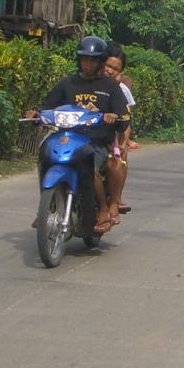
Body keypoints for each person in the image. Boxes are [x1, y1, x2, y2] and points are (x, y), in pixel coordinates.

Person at [26, 36, 128, 235]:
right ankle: (46, 206)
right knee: (45, 155)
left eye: (93, 60)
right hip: (66, 138)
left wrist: (113, 117)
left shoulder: (110, 87)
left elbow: (123, 117)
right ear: (79, 60)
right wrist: (36, 115)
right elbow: (47, 107)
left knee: (90, 169)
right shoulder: (67, 84)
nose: (88, 64)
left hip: (95, 142)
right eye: (84, 59)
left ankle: (103, 209)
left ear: (100, 62)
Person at [102, 42, 135, 222]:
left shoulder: (119, 90)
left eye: (115, 69)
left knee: (118, 160)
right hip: (81, 134)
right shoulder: (82, 82)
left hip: (108, 135)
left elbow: (126, 119)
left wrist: (123, 143)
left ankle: (115, 200)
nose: (110, 71)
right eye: (107, 65)